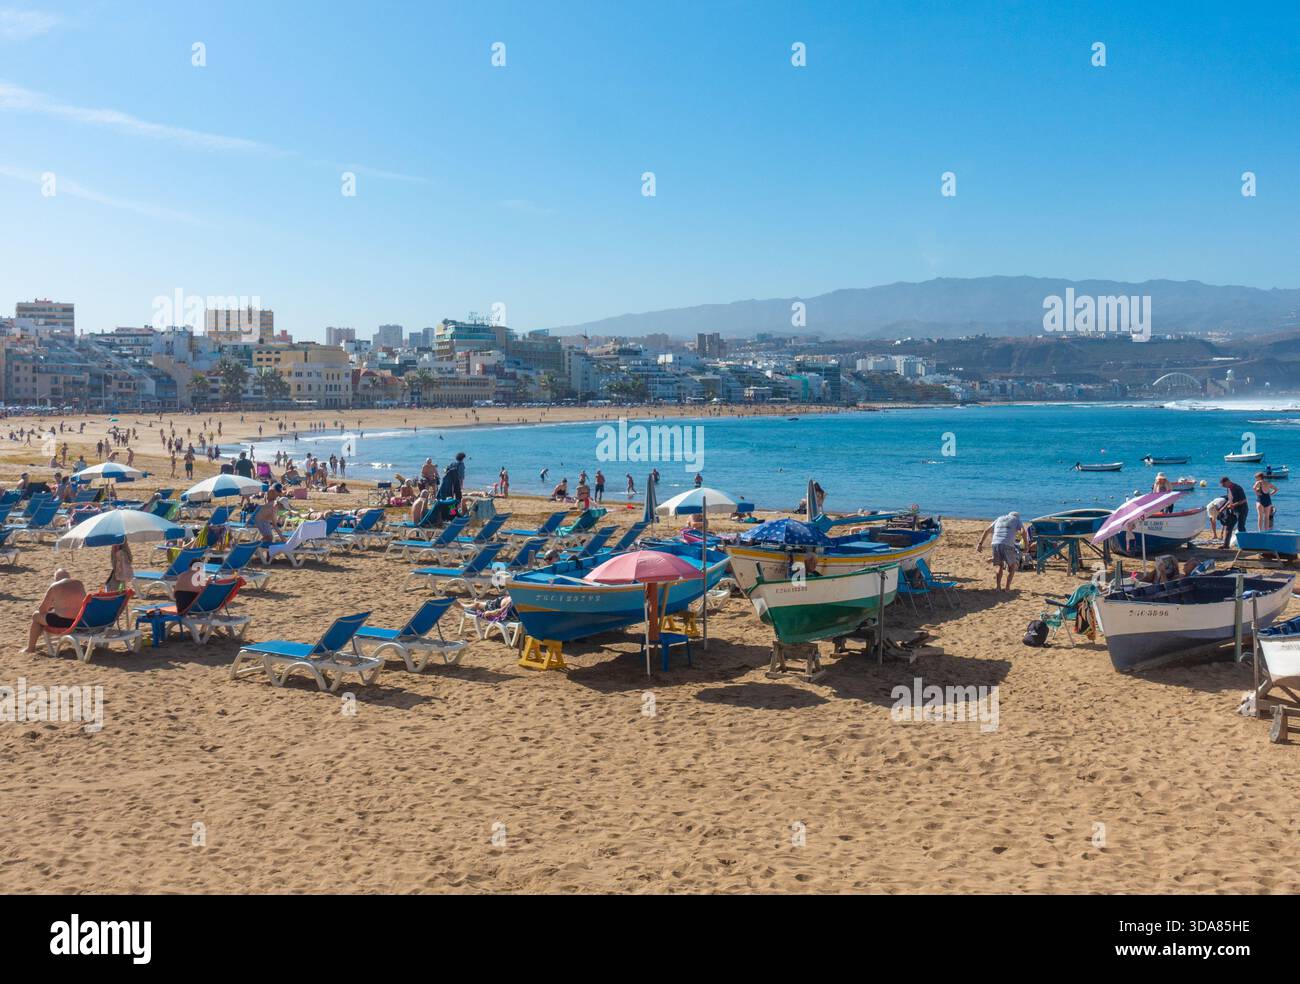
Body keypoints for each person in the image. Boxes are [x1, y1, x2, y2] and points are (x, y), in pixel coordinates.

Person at [24, 568, 87, 653]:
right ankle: (31, 647)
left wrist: (53, 607)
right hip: (80, 622)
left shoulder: (55, 586)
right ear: (69, 577)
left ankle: (30, 648)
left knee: (36, 616)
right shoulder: (79, 584)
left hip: (63, 623)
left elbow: (42, 610)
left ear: (56, 579)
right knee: (48, 615)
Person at [976, 510, 1028, 591]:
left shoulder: (999, 518)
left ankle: (998, 587)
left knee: (999, 565)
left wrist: (980, 544)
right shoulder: (1017, 520)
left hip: (995, 543)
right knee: (1013, 566)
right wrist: (1026, 545)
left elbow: (986, 531)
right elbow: (1023, 532)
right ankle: (1007, 588)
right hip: (1007, 544)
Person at [1218, 476, 1249, 548]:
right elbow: (1230, 500)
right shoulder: (1228, 488)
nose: (1224, 487)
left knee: (1241, 527)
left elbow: (1244, 500)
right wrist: (1223, 508)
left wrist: (1233, 505)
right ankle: (1226, 545)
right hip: (1233, 510)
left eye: (1224, 485)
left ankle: (1244, 545)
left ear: (1227, 481)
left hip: (1241, 510)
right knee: (1229, 526)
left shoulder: (1237, 488)